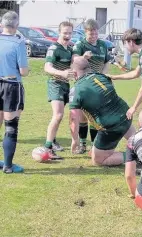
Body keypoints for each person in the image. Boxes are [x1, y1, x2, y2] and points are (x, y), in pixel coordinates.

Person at [69, 57, 135, 166]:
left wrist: (74, 140)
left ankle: (135, 157)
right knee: (138, 141)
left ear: (74, 73)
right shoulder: (101, 76)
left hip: (111, 127)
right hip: (125, 114)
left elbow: (73, 118)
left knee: (98, 160)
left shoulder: (76, 90)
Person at [72, 19, 111, 154]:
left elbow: (107, 62)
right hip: (84, 84)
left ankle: (94, 145)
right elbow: (75, 60)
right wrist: (84, 57)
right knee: (83, 116)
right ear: (85, 32)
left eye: (95, 33)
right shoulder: (80, 44)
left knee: (95, 116)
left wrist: (102, 75)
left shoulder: (103, 45)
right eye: (91, 34)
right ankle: (83, 144)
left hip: (98, 84)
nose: (94, 36)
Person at [0, 11, 28, 173]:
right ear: (16, 25)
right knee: (11, 127)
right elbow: (23, 71)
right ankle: (8, 166)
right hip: (11, 86)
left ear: (2, 24)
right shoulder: (18, 43)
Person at [43, 21, 75, 159]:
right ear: (59, 32)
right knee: (58, 115)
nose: (67, 35)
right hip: (55, 83)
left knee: (60, 116)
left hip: (65, 85)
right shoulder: (53, 48)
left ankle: (53, 141)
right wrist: (61, 73)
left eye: (69, 33)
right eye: (65, 33)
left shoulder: (69, 49)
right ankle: (47, 147)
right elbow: (47, 67)